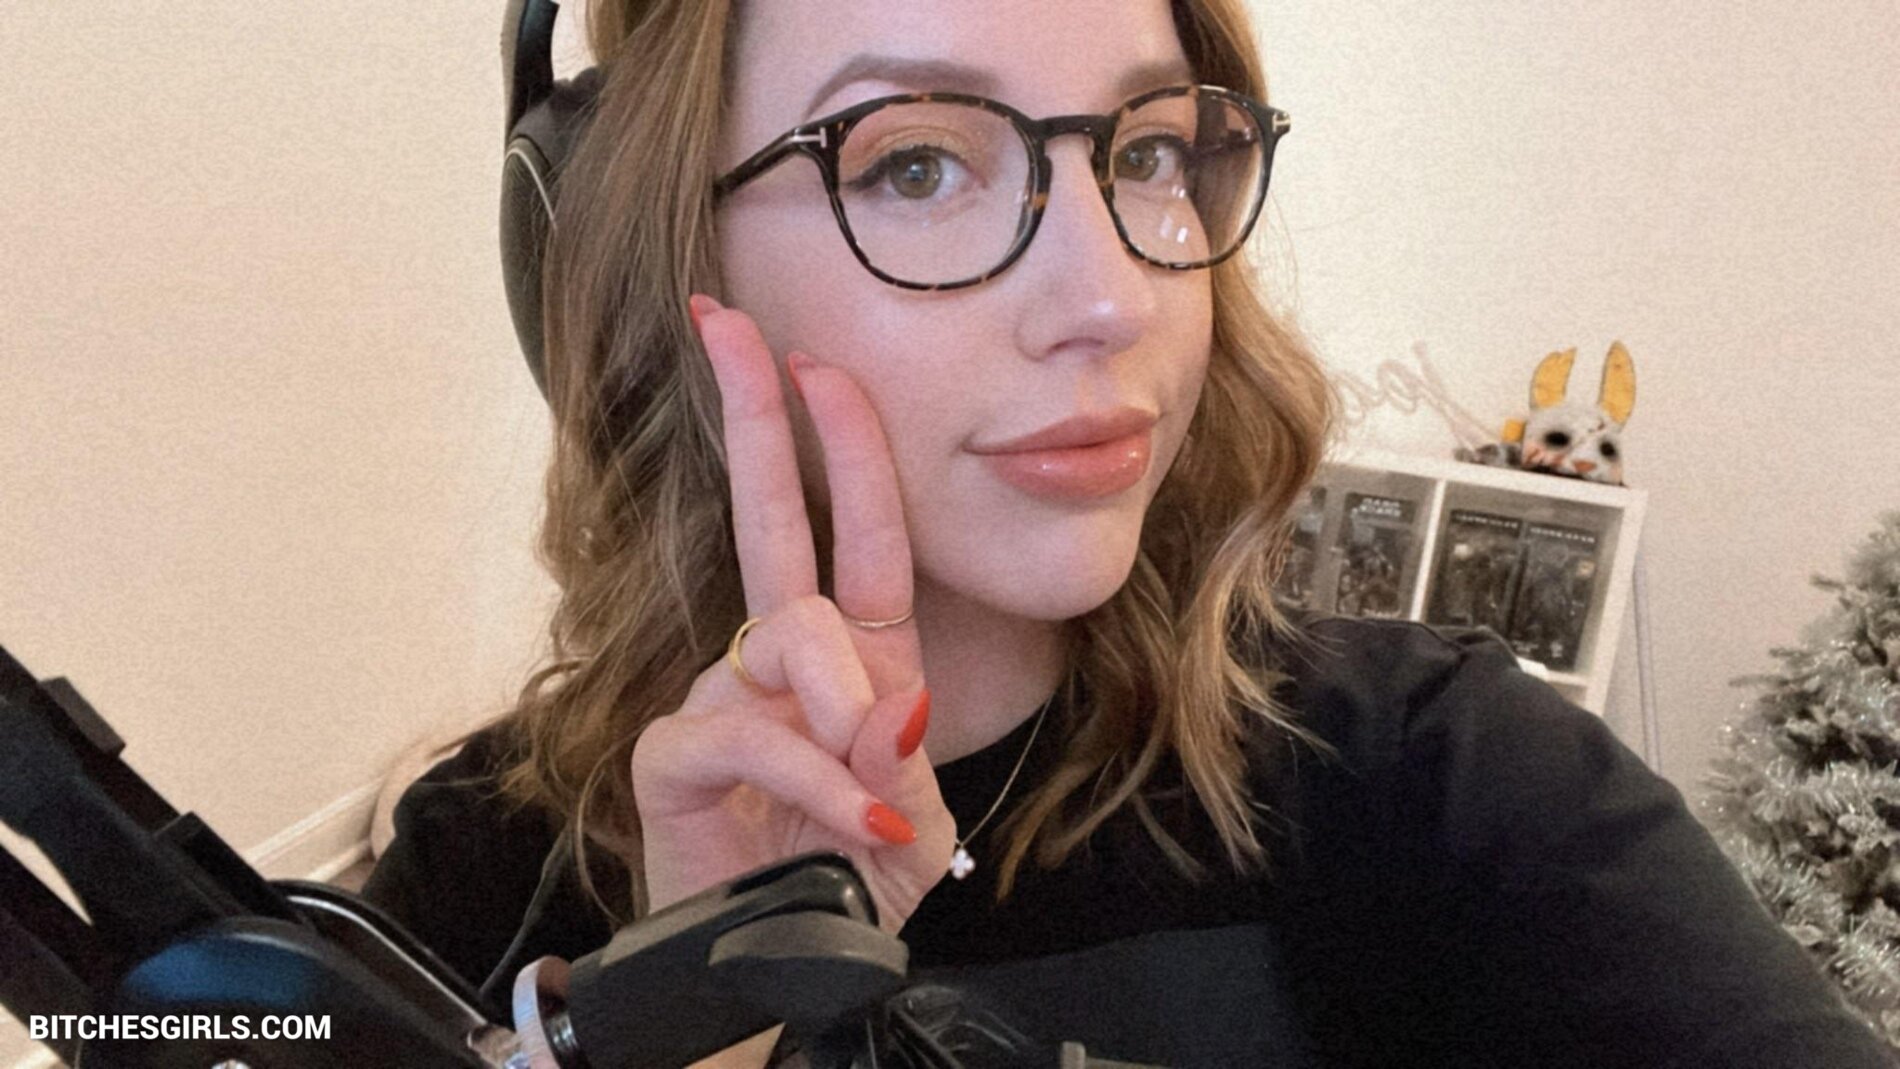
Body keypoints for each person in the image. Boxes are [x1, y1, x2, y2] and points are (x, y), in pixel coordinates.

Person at [364, 2, 1899, 1066]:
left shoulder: (1445, 782)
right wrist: (694, 1023)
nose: (1114, 296)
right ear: (652, 261)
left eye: (1150, 150)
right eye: (917, 163)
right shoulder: (474, 880)